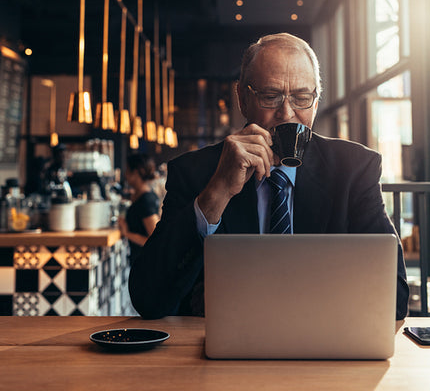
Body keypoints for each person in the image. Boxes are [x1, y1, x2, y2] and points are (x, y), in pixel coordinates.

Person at [129, 33, 409, 319]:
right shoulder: (196, 172)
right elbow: (149, 299)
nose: (286, 113)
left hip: (322, 347)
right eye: (270, 96)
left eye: (301, 98)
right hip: (222, 353)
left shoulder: (354, 169)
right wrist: (217, 193)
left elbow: (394, 299)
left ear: (315, 101)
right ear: (242, 98)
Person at [118, 153, 160, 263]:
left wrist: (126, 233)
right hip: (141, 262)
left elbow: (155, 240)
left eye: (127, 170)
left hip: (146, 265)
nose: (125, 175)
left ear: (135, 172)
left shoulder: (146, 200)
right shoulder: (141, 195)